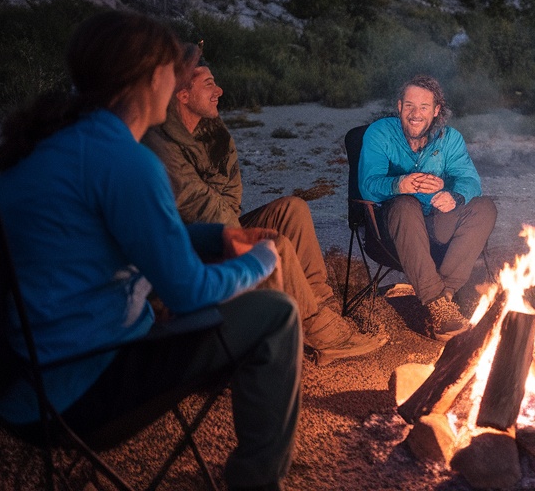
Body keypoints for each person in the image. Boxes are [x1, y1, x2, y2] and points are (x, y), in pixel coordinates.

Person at [0, 11, 301, 491]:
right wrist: (260, 260)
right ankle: (256, 482)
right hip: (84, 385)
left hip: (23, 377)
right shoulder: (125, 161)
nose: (176, 79)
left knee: (234, 291)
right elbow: (189, 294)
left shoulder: (61, 144)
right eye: (172, 70)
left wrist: (217, 239)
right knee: (276, 315)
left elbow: (116, 244)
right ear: (152, 78)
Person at [143, 46, 386, 364]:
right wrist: (243, 236)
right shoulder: (159, 144)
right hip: (187, 249)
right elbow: (200, 211)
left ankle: (322, 310)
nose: (219, 90)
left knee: (292, 209)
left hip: (220, 227)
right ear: (182, 96)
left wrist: (231, 221)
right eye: (208, 85)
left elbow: (232, 199)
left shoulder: (213, 133)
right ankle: (318, 331)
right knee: (274, 244)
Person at [357, 74, 497, 341]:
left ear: (436, 111)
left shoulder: (449, 138)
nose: (415, 114)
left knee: (485, 207)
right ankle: (435, 301)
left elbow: (471, 181)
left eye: (423, 107)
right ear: (399, 107)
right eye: (409, 105)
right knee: (405, 204)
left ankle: (444, 295)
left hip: (435, 224)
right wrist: (400, 183)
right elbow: (367, 184)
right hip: (391, 232)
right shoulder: (380, 133)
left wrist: (454, 197)